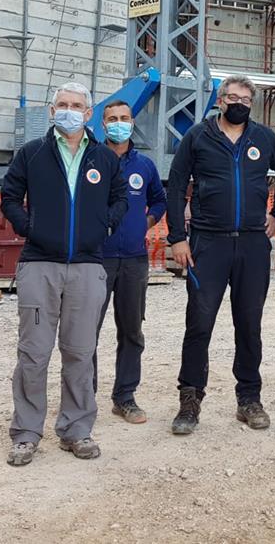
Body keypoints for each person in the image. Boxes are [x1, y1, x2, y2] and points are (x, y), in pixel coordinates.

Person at [0, 81, 128, 467]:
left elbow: (120, 198)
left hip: (87, 267)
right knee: (34, 353)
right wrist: (29, 227)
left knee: (80, 352)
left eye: (76, 106)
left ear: (88, 114)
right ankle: (26, 433)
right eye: (62, 105)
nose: (69, 111)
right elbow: (9, 196)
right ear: (52, 111)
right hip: (40, 265)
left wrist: (105, 225)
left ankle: (76, 429)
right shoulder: (33, 153)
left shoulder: (104, 159)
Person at [166, 75, 275, 434]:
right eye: (233, 98)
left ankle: (249, 399)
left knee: (249, 325)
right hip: (208, 244)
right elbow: (176, 186)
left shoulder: (263, 138)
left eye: (246, 100)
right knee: (199, 324)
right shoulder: (198, 136)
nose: (239, 104)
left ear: (252, 104)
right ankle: (190, 400)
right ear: (220, 100)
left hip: (253, 245)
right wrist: (177, 238)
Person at [94, 100, 166, 424]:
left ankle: (125, 397)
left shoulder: (145, 166)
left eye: (124, 118)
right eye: (112, 119)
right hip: (96, 260)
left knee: (132, 332)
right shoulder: (92, 160)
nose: (118, 123)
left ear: (132, 122)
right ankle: (83, 399)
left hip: (135, 260)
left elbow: (159, 200)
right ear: (103, 124)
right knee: (87, 333)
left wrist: (145, 223)